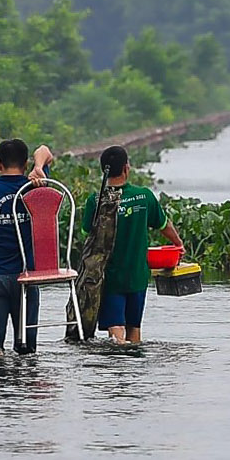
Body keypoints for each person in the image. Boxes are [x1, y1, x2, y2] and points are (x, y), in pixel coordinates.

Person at [77, 145, 183, 346]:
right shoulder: (144, 196)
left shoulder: (96, 200)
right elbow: (163, 225)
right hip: (138, 277)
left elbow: (86, 235)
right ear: (126, 168)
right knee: (134, 329)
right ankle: (134, 371)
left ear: (103, 171)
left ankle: (119, 366)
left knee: (116, 330)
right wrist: (178, 243)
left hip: (110, 278)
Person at [0, 138, 54, 357]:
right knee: (27, 354)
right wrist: (39, 169)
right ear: (26, 163)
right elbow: (45, 150)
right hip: (27, 278)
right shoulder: (36, 186)